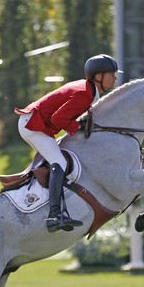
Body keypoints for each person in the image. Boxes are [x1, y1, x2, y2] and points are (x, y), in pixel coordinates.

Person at [15, 54, 121, 232]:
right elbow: (58, 119)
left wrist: (78, 125)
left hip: (35, 123)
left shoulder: (88, 91)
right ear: (98, 77)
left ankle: (57, 209)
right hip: (33, 125)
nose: (115, 78)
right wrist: (78, 126)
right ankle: (54, 216)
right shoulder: (84, 93)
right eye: (112, 74)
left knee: (57, 163)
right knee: (60, 162)